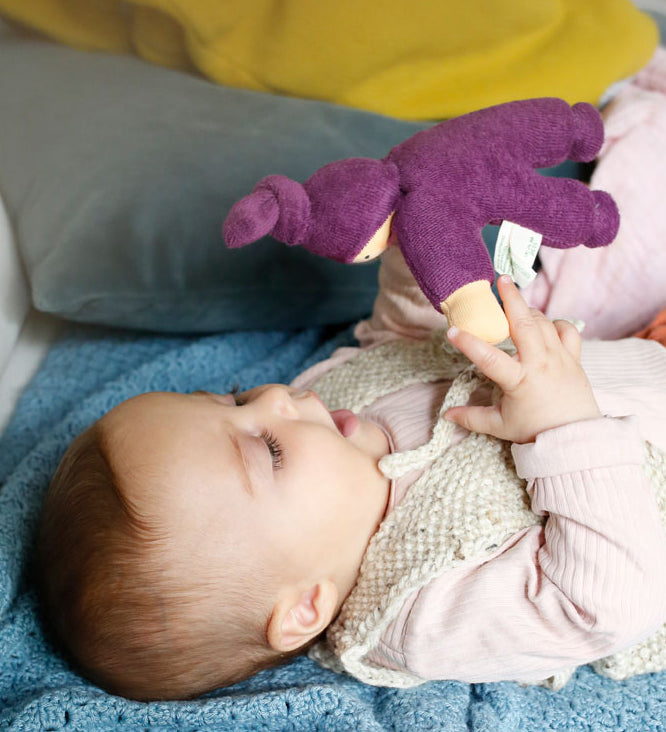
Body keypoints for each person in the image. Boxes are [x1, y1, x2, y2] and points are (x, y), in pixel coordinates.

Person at [35, 231, 666, 699]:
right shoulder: (421, 611)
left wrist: (420, 257)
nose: (277, 397)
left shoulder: (331, 411)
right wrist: (562, 424)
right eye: (268, 449)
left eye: (235, 398)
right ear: (306, 606)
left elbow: (400, 348)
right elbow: (604, 603)